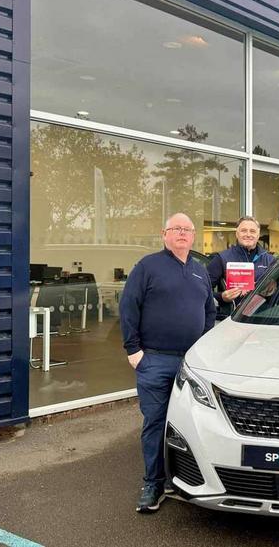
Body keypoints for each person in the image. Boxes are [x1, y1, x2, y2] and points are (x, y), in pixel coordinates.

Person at [120, 213, 217, 514]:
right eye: (176, 229)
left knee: (193, 424)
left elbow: (210, 311)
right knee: (156, 422)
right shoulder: (148, 266)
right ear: (164, 234)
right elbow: (128, 306)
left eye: (187, 229)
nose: (182, 233)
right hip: (155, 360)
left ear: (194, 236)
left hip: (191, 363)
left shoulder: (200, 271)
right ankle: (154, 483)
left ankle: (187, 479)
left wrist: (202, 347)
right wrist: (134, 350)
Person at [207, 216, 275, 315]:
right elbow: (202, 289)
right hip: (231, 318)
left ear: (258, 235)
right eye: (244, 231)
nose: (248, 234)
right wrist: (222, 297)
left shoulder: (270, 260)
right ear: (237, 234)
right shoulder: (222, 258)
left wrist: (271, 289)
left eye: (252, 231)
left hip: (263, 316)